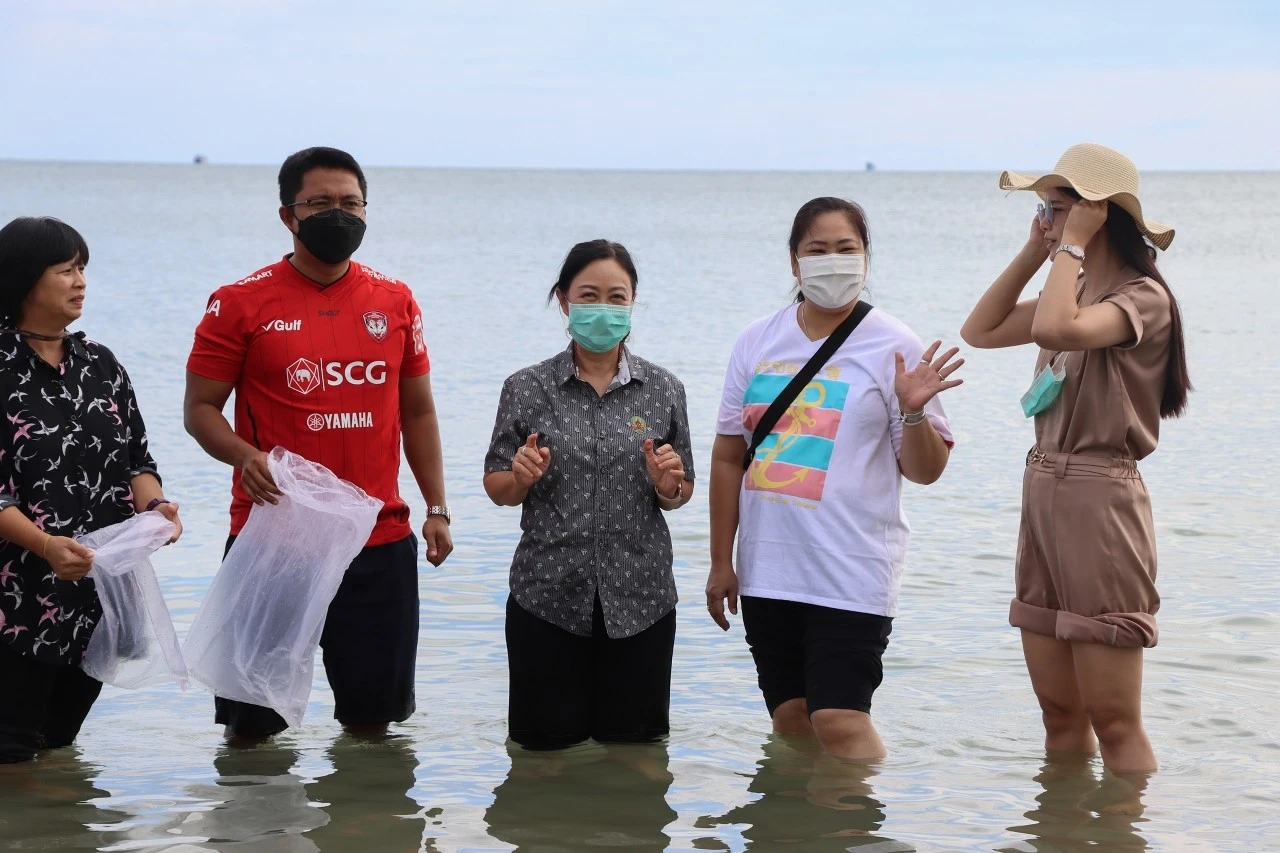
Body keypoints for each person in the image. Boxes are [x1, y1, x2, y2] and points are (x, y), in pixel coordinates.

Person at [184, 146, 452, 743]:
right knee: (251, 733)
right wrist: (243, 455)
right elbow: (200, 410)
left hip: (378, 538)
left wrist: (436, 508)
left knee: (371, 728)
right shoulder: (239, 301)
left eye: (351, 203)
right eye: (322, 203)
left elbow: (419, 411)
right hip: (275, 538)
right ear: (288, 214)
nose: (340, 214)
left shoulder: (396, 300)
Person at [960, 142, 1190, 773]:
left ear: (1098, 213)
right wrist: (1040, 250)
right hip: (1042, 488)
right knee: (1059, 715)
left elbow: (1058, 330)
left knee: (1114, 720)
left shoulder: (1142, 299)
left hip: (1100, 495)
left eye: (1056, 208)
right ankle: (1058, 833)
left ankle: (1124, 834)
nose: (1045, 218)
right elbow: (979, 330)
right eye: (1042, 208)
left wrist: (1069, 246)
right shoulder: (1076, 285)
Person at [706, 197, 961, 761]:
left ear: (867, 259)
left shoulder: (894, 343)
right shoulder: (756, 341)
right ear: (794, 263)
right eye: (816, 250)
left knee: (841, 721)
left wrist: (914, 411)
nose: (832, 261)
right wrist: (721, 562)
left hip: (852, 567)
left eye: (847, 249)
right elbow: (728, 457)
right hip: (769, 568)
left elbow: (925, 471)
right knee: (792, 719)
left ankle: (866, 836)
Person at [483, 239, 694, 750]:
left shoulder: (664, 389)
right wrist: (521, 477)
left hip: (641, 598)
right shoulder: (527, 387)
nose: (604, 308)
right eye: (589, 295)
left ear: (633, 302)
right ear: (563, 300)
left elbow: (681, 487)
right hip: (547, 598)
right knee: (542, 757)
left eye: (616, 297)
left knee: (638, 757)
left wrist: (669, 485)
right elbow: (497, 486)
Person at [0, 217, 182, 763]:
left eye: (83, 268)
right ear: (24, 280)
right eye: (65, 270)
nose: (80, 281)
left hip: (95, 595)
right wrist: (45, 545)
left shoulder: (101, 365)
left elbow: (135, 461)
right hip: (17, 601)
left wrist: (156, 507)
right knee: (9, 755)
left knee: (57, 748)